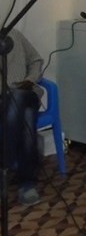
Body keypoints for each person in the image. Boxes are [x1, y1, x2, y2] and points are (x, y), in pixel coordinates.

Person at [0, 28, 44, 206]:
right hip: (4, 100)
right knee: (26, 116)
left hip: (26, 92)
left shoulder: (13, 35)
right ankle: (27, 184)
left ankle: (5, 163)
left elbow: (36, 60)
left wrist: (30, 80)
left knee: (17, 97)